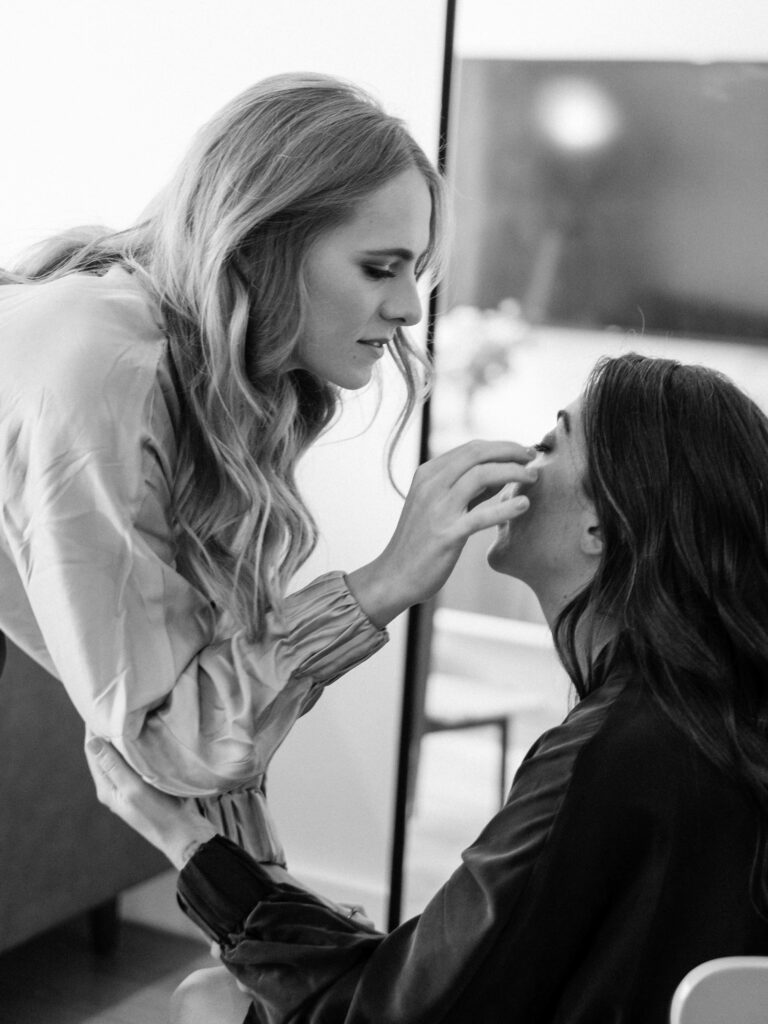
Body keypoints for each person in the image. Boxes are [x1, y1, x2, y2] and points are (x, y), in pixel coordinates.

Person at [89, 352, 768, 1023]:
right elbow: (464, 967)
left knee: (206, 1001)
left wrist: (187, 845)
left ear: (604, 526)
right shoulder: (712, 718)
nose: (520, 466)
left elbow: (402, 1010)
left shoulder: (613, 754)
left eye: (546, 445)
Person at [0, 72, 536, 860]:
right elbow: (170, 734)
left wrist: (278, 935)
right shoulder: (106, 371)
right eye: (378, 267)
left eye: (414, 273)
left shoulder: (207, 377)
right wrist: (383, 583)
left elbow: (205, 704)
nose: (409, 310)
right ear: (261, 241)